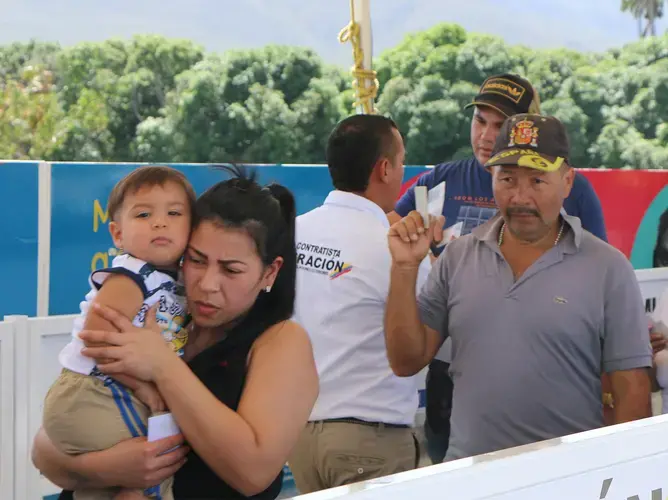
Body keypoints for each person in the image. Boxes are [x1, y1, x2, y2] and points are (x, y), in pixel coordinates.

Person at [31, 165, 319, 500]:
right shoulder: (165, 310)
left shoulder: (282, 341)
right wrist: (104, 469)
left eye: (231, 270)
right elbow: (44, 448)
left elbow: (253, 471)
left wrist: (164, 367)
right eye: (196, 260)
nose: (207, 285)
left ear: (270, 272)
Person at [384, 114, 652, 461]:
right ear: (491, 178)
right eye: (507, 179)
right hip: (469, 478)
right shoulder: (457, 257)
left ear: (568, 181)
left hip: (567, 479)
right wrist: (404, 268)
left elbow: (632, 392)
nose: (520, 196)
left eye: (537, 180)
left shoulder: (608, 268)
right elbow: (406, 361)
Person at [288, 115, 429, 493]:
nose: (401, 172)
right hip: (371, 440)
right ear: (384, 169)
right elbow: (427, 343)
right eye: (400, 163)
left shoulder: (293, 232)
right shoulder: (401, 249)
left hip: (298, 437)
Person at [43, 165, 196, 500]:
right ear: (117, 234)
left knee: (111, 488)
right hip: (98, 391)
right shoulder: (131, 276)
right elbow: (96, 341)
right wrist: (144, 387)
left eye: (174, 213)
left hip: (111, 393)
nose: (160, 222)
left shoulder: (172, 282)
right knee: (156, 465)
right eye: (143, 214)